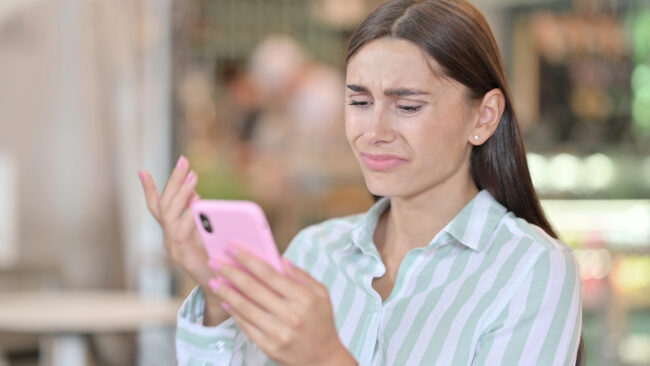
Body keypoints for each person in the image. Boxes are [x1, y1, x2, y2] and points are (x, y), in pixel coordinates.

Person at [138, 0, 583, 365]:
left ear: (483, 117)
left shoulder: (532, 268)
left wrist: (328, 359)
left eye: (407, 106)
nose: (374, 131)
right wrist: (220, 295)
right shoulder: (314, 252)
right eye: (359, 100)